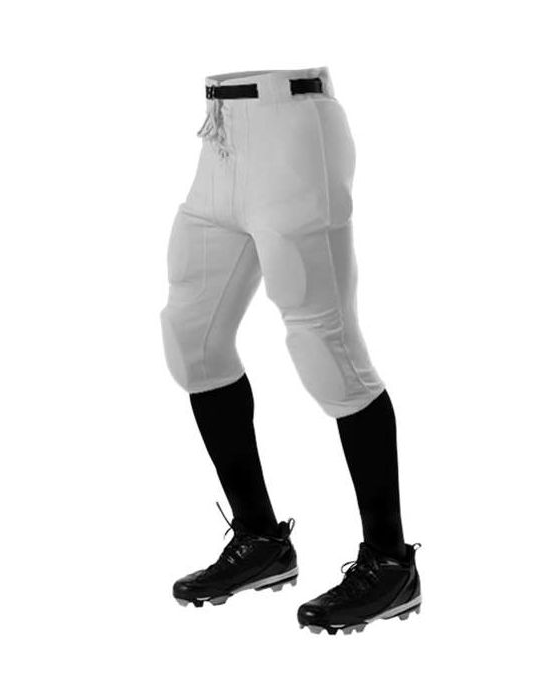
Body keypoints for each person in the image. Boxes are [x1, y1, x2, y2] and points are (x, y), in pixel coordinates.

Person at [161, 67, 421, 634]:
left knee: (327, 350)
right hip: (221, 136)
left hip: (293, 136)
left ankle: (390, 564)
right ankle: (260, 541)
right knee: (192, 339)